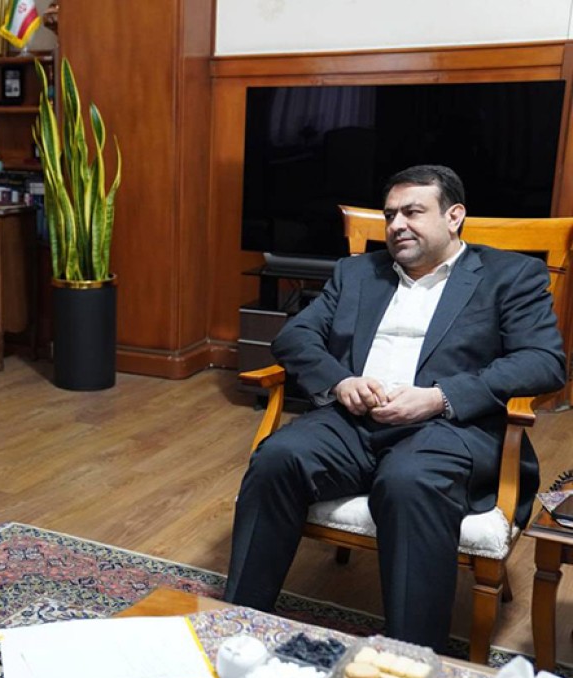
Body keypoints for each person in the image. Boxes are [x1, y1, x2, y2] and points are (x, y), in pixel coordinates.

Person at [224, 164, 566, 651]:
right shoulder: (358, 272)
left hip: (446, 426)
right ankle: (238, 627)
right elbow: (295, 336)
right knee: (278, 458)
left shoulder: (509, 275)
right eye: (389, 215)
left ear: (454, 217)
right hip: (353, 420)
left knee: (408, 482)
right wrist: (341, 381)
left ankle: (411, 656)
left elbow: (543, 362)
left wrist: (439, 396)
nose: (397, 225)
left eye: (412, 212)